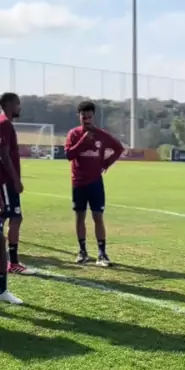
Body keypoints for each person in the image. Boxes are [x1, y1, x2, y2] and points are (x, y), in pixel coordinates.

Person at [65, 100, 124, 267]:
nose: (87, 120)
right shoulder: (73, 134)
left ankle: (102, 253)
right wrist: (82, 141)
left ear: (94, 117)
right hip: (78, 182)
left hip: (95, 182)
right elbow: (69, 155)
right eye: (83, 117)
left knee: (98, 216)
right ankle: (82, 251)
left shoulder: (101, 135)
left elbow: (119, 148)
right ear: (79, 117)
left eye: (89, 117)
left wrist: (106, 163)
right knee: (80, 216)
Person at [0, 92, 36, 276]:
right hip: (5, 181)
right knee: (12, 218)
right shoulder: (4, 124)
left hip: (5, 181)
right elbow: (3, 155)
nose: (19, 107)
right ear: (9, 104)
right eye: (17, 104)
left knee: (13, 218)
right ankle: (12, 262)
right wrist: (16, 180)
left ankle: (10, 261)